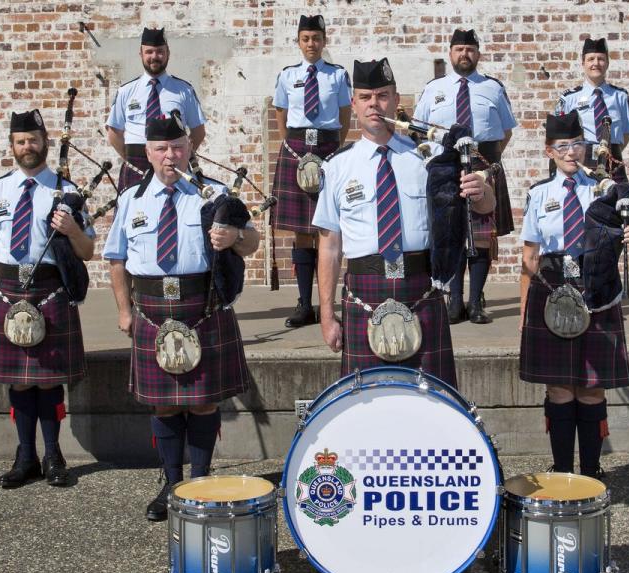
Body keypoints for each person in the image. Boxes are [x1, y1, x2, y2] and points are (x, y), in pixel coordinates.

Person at [102, 115, 261, 521]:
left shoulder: (215, 195)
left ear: (189, 148)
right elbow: (117, 260)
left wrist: (235, 238)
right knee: (164, 406)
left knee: (205, 404)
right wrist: (124, 310)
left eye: (177, 147)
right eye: (161, 149)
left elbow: (253, 240)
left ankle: (202, 484)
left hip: (203, 308)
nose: (169, 156)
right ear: (148, 154)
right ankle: (171, 485)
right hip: (153, 313)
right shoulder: (130, 200)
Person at [314, 58, 497, 386]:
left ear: (397, 101)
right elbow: (329, 245)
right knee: (367, 403)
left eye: (383, 95)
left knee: (433, 401)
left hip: (421, 288)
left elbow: (485, 206)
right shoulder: (338, 167)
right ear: (353, 104)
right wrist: (327, 315)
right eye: (366, 97)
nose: (375, 104)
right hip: (363, 292)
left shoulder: (427, 157)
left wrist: (481, 190)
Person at [519, 111, 629, 478]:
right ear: (550, 151)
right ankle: (563, 471)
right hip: (552, 289)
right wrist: (522, 314)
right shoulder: (539, 194)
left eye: (577, 144)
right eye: (562, 146)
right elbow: (529, 257)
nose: (571, 152)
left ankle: (591, 472)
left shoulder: (607, 188)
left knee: (592, 390)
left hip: (598, 287)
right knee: (560, 389)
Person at [0, 109, 95, 489]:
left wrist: (73, 228)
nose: (28, 147)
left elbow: (88, 250)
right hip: (9, 291)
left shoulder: (67, 191)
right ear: (12, 146)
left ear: (45, 142)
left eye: (34, 140)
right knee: (20, 382)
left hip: (50, 289)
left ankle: (54, 455)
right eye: (21, 141)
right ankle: (25, 456)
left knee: (47, 381)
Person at [414, 28, 516, 324]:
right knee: (453, 232)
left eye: (470, 49)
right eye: (459, 49)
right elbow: (418, 129)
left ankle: (475, 303)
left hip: (483, 165)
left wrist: (486, 163)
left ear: (478, 54)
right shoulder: (434, 88)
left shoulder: (493, 88)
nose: (464, 54)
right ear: (450, 53)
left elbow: (505, 132)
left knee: (482, 238)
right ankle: (455, 303)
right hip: (448, 167)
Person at [270, 14, 352, 328]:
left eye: (316, 38)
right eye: (305, 39)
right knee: (303, 233)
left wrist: (334, 147)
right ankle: (305, 304)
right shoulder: (288, 75)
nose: (311, 44)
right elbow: (281, 113)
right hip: (296, 150)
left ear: (324, 40)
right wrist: (294, 145)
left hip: (329, 150)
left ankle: (328, 303)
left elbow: (345, 114)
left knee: (328, 229)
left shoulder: (338, 75)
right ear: (299, 41)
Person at [106, 27, 206, 191]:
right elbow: (114, 133)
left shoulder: (184, 90)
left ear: (168, 53)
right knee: (132, 213)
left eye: (160, 51)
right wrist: (133, 159)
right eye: (149, 52)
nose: (154, 57)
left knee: (174, 211)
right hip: (135, 164)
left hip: (172, 163)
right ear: (141, 54)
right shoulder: (126, 91)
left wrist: (180, 157)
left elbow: (198, 132)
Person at [554, 37, 629, 180]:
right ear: (583, 63)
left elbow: (626, 134)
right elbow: (559, 138)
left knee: (619, 200)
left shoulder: (620, 96)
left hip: (612, 160)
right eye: (591, 59)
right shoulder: (569, 98)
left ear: (608, 63)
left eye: (601, 59)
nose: (596, 63)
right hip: (581, 159)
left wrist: (607, 153)